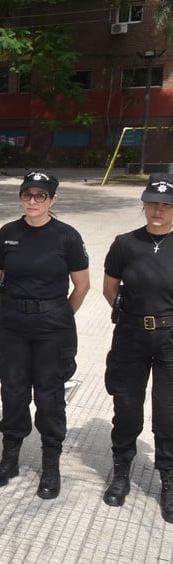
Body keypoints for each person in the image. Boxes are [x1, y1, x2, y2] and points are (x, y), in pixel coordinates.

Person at [0, 171, 90, 500]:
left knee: (49, 396)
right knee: (13, 392)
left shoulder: (67, 237)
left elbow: (82, 285)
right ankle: (10, 459)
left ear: (53, 200)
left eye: (40, 196)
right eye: (27, 194)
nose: (33, 201)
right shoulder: (8, 233)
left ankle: (50, 465)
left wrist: (58, 315)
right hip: (14, 324)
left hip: (52, 327)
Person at [101, 173, 173, 522]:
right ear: (143, 204)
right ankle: (121, 471)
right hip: (131, 335)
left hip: (170, 339)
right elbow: (110, 288)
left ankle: (169, 479)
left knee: (168, 411)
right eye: (152, 203)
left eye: (165, 204)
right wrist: (132, 316)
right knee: (126, 405)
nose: (157, 210)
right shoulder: (125, 243)